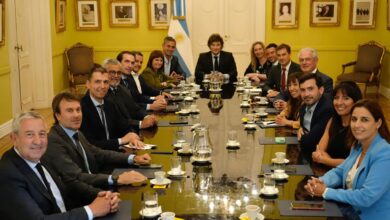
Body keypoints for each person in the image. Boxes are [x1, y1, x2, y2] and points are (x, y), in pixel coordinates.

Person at [0, 111, 120, 219]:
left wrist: (99, 195)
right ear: (14, 139)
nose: (38, 141)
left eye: (42, 134)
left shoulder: (41, 154)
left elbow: (66, 186)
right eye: (29, 134)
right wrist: (91, 211)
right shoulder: (7, 175)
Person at [45, 92, 149, 191]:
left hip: (94, 184)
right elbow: (77, 176)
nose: (76, 115)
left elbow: (99, 153)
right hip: (80, 195)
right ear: (58, 115)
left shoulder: (76, 133)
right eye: (70, 111)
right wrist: (116, 179)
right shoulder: (54, 141)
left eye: (78, 110)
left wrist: (133, 158)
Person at [305, 99, 390, 219]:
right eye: (354, 119)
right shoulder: (357, 146)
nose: (357, 125)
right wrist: (321, 182)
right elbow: (340, 171)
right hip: (349, 211)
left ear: (378, 123)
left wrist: (326, 191)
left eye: (364, 120)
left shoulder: (385, 154)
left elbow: (366, 197)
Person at [80, 65, 145, 151]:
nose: (102, 86)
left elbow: (123, 126)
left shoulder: (109, 104)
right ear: (88, 84)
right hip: (95, 159)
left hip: (113, 154)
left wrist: (132, 136)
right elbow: (90, 144)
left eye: (106, 82)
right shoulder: (81, 108)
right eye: (97, 82)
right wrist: (121, 141)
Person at [312, 81, 362, 169]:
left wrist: (326, 160)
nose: (339, 102)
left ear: (356, 101)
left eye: (346, 98)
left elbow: (353, 163)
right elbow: (319, 150)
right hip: (329, 172)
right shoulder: (332, 121)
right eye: (336, 98)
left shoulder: (358, 127)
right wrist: (326, 159)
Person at [103, 58, 157, 130]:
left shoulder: (122, 89)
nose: (116, 76)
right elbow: (117, 121)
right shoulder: (102, 92)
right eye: (112, 72)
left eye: (119, 73)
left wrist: (147, 117)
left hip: (131, 130)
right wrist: (141, 124)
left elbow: (135, 109)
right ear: (104, 73)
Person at [298, 73, 333, 162]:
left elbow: (310, 141)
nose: (306, 94)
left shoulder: (326, 109)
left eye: (310, 89)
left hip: (320, 159)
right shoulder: (304, 106)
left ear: (321, 90)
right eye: (302, 90)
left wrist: (301, 135)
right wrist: (301, 129)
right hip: (306, 154)